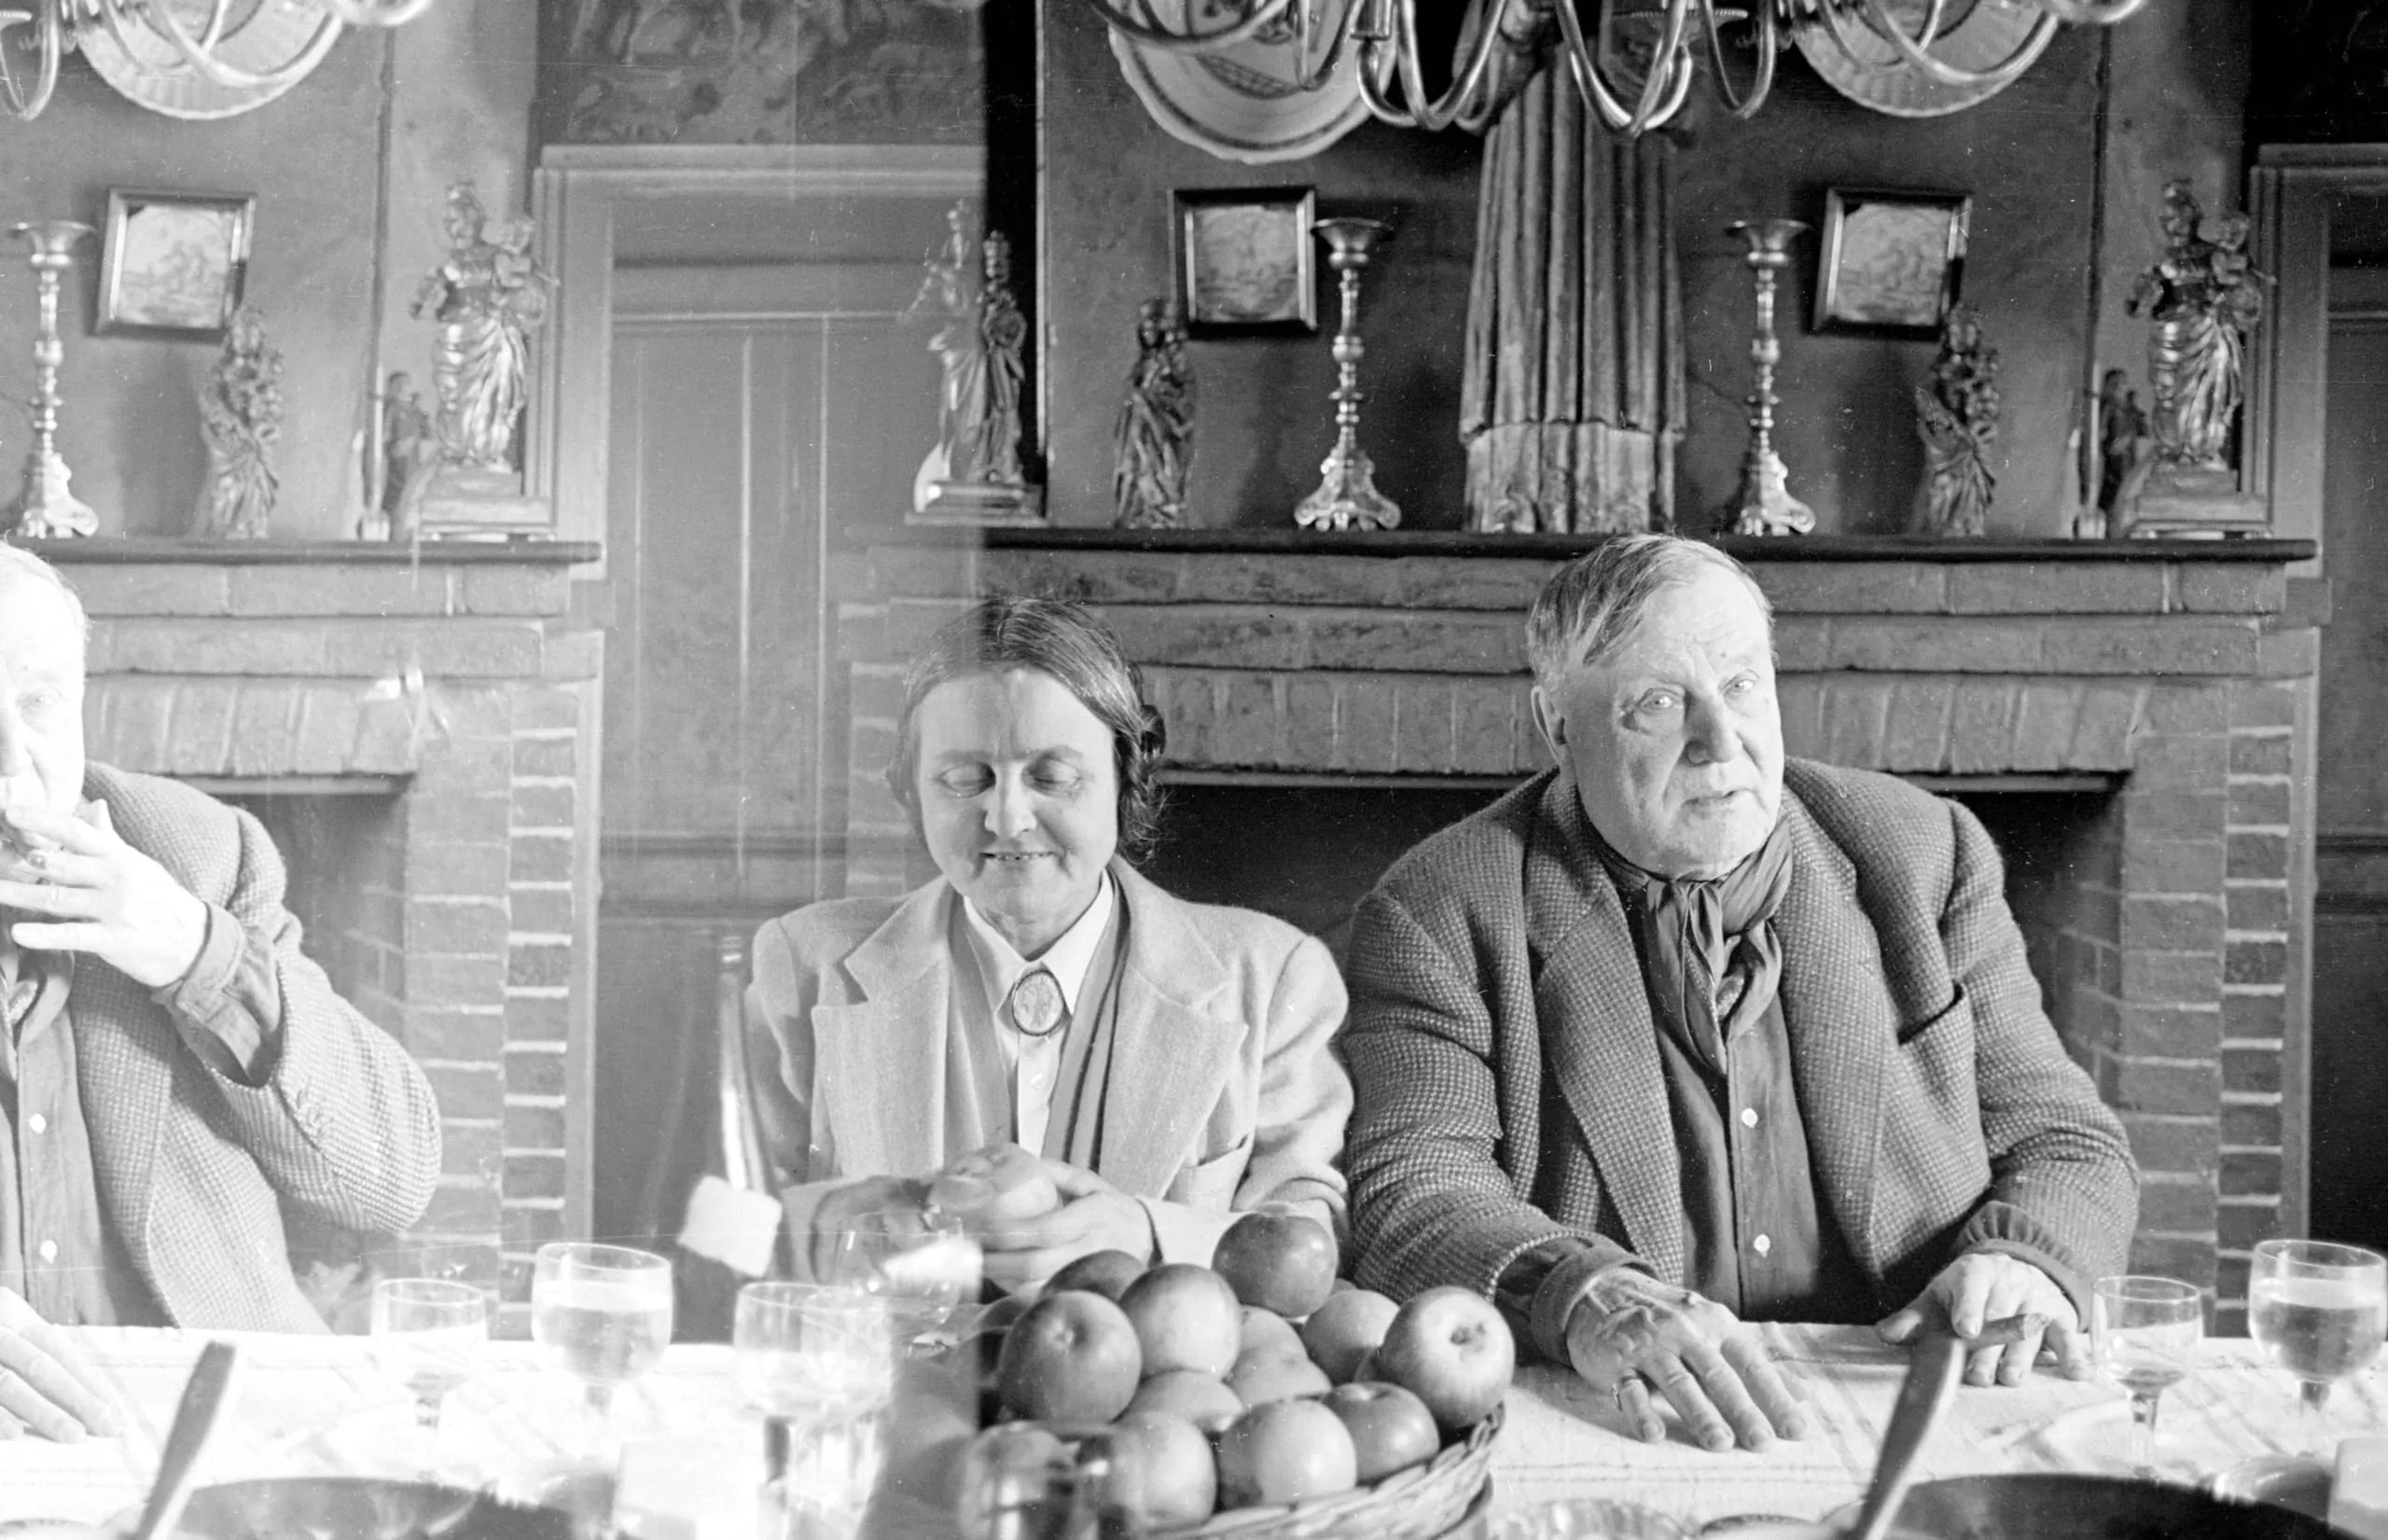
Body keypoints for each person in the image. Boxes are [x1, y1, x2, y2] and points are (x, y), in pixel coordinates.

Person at [1340, 534, 2136, 1454]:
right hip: (1635, 1422)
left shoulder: (1922, 855)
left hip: (1907, 1398)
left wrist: (2021, 1256)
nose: (1721, 742)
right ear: (1557, 726)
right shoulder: (1442, 905)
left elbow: (2064, 1138)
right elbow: (1413, 1191)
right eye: (1658, 703)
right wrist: (1586, 1292)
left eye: (1742, 685)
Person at [746, 596, 1350, 1290]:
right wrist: (851, 1229)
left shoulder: (1272, 979)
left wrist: (1151, 1236)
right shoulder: (804, 964)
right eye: (964, 779)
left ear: (1126, 775)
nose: (1006, 818)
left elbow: (1311, 1242)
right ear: (912, 790)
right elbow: (723, 1223)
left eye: (1052, 777)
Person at [0, 545, 441, 1437]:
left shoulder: (194, 853)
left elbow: (394, 1181)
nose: (13, 762)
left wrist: (199, 954)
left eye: (39, 703)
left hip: (220, 1426)